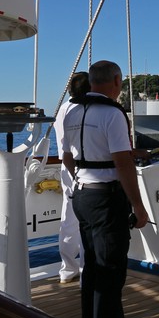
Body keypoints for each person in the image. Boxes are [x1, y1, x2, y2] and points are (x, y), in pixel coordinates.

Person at [60, 60, 149, 318]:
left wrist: (82, 176)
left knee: (93, 269)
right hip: (107, 199)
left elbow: (67, 157)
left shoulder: (72, 111)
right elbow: (123, 163)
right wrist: (138, 205)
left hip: (82, 196)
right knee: (111, 273)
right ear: (115, 81)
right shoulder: (113, 114)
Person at [54, 71, 89, 284]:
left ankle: (67, 270)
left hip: (67, 170)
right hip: (85, 169)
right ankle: (87, 270)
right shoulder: (84, 110)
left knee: (68, 221)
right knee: (87, 223)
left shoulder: (63, 110)